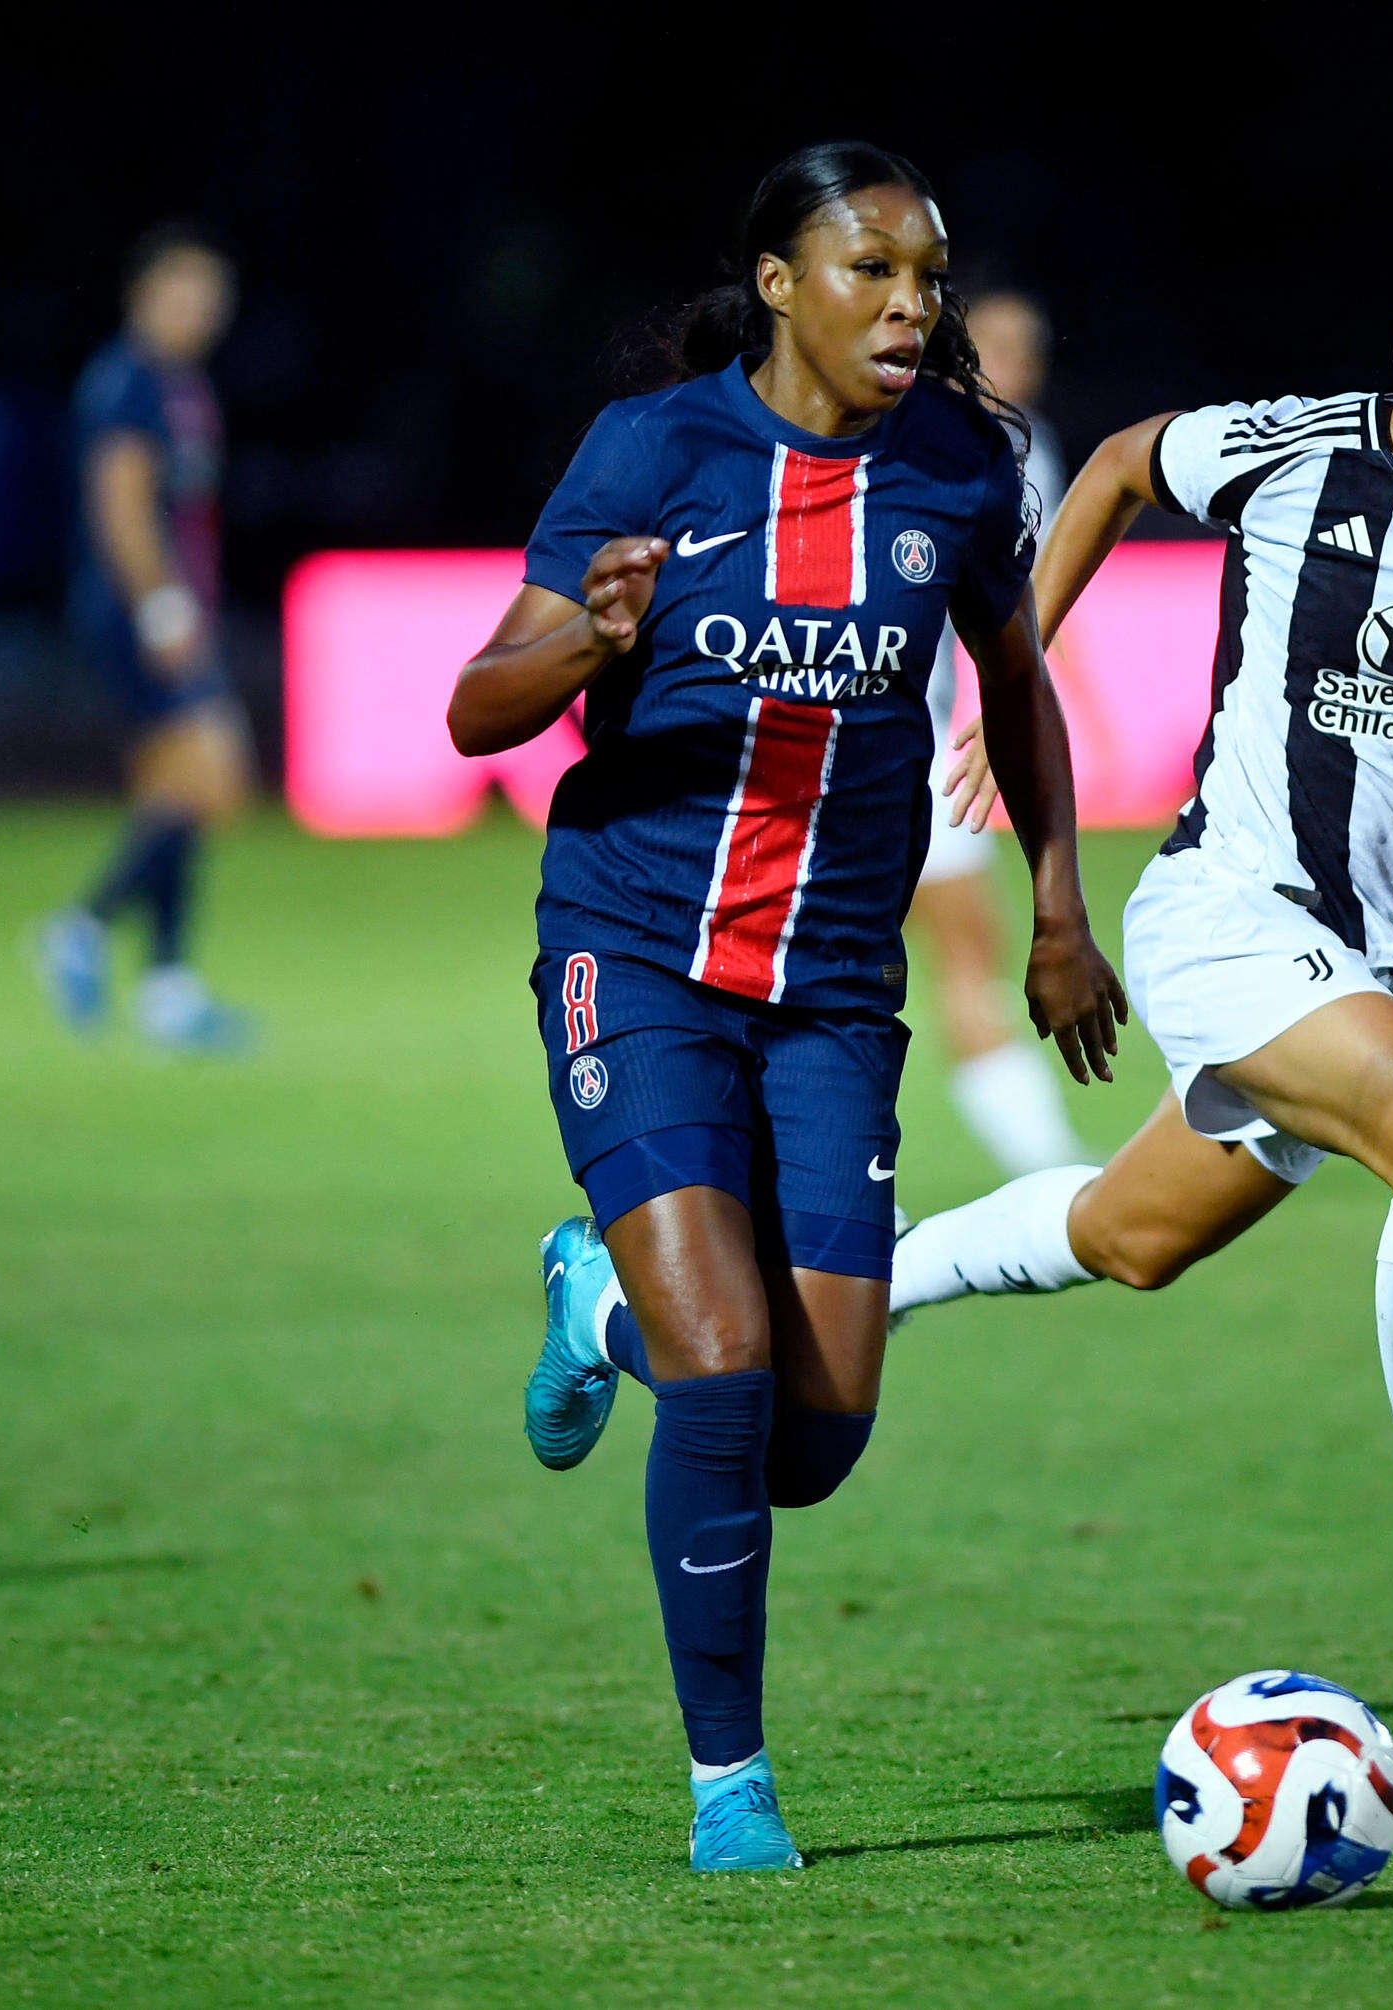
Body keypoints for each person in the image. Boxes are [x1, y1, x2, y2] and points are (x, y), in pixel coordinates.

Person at [893, 183, 1393, 1678]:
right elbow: (1123, 464)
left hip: (1379, 972)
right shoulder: (1291, 450)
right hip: (1229, 914)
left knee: (1129, 1239)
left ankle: (863, 1279)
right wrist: (1019, 669)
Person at [452, 143, 1126, 1872]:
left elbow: (1017, 683)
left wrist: (1059, 907)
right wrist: (585, 646)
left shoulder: (962, 466)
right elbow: (477, 710)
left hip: (834, 990)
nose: (914, 306)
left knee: (814, 1443)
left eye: (931, 275)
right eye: (872, 273)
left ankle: (595, 1305)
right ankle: (728, 1787)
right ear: (778, 285)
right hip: (642, 952)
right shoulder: (654, 451)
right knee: (731, 1373)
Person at [38, 226, 255, 1053]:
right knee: (217, 777)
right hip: (136, 610)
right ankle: (81, 927)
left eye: (209, 295)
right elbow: (121, 504)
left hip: (166, 606)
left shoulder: (178, 385)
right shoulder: (127, 382)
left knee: (174, 789)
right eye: (181, 291)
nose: (197, 310)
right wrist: (162, 608)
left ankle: (168, 987)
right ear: (143, 295)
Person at [908, 288, 1090, 1176]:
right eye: (997, 342)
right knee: (966, 956)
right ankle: (1050, 1171)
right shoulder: (964, 447)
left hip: (920, 737)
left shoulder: (1006, 443)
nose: (1016, 359)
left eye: (1028, 343)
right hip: (907, 747)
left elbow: (1033, 609)